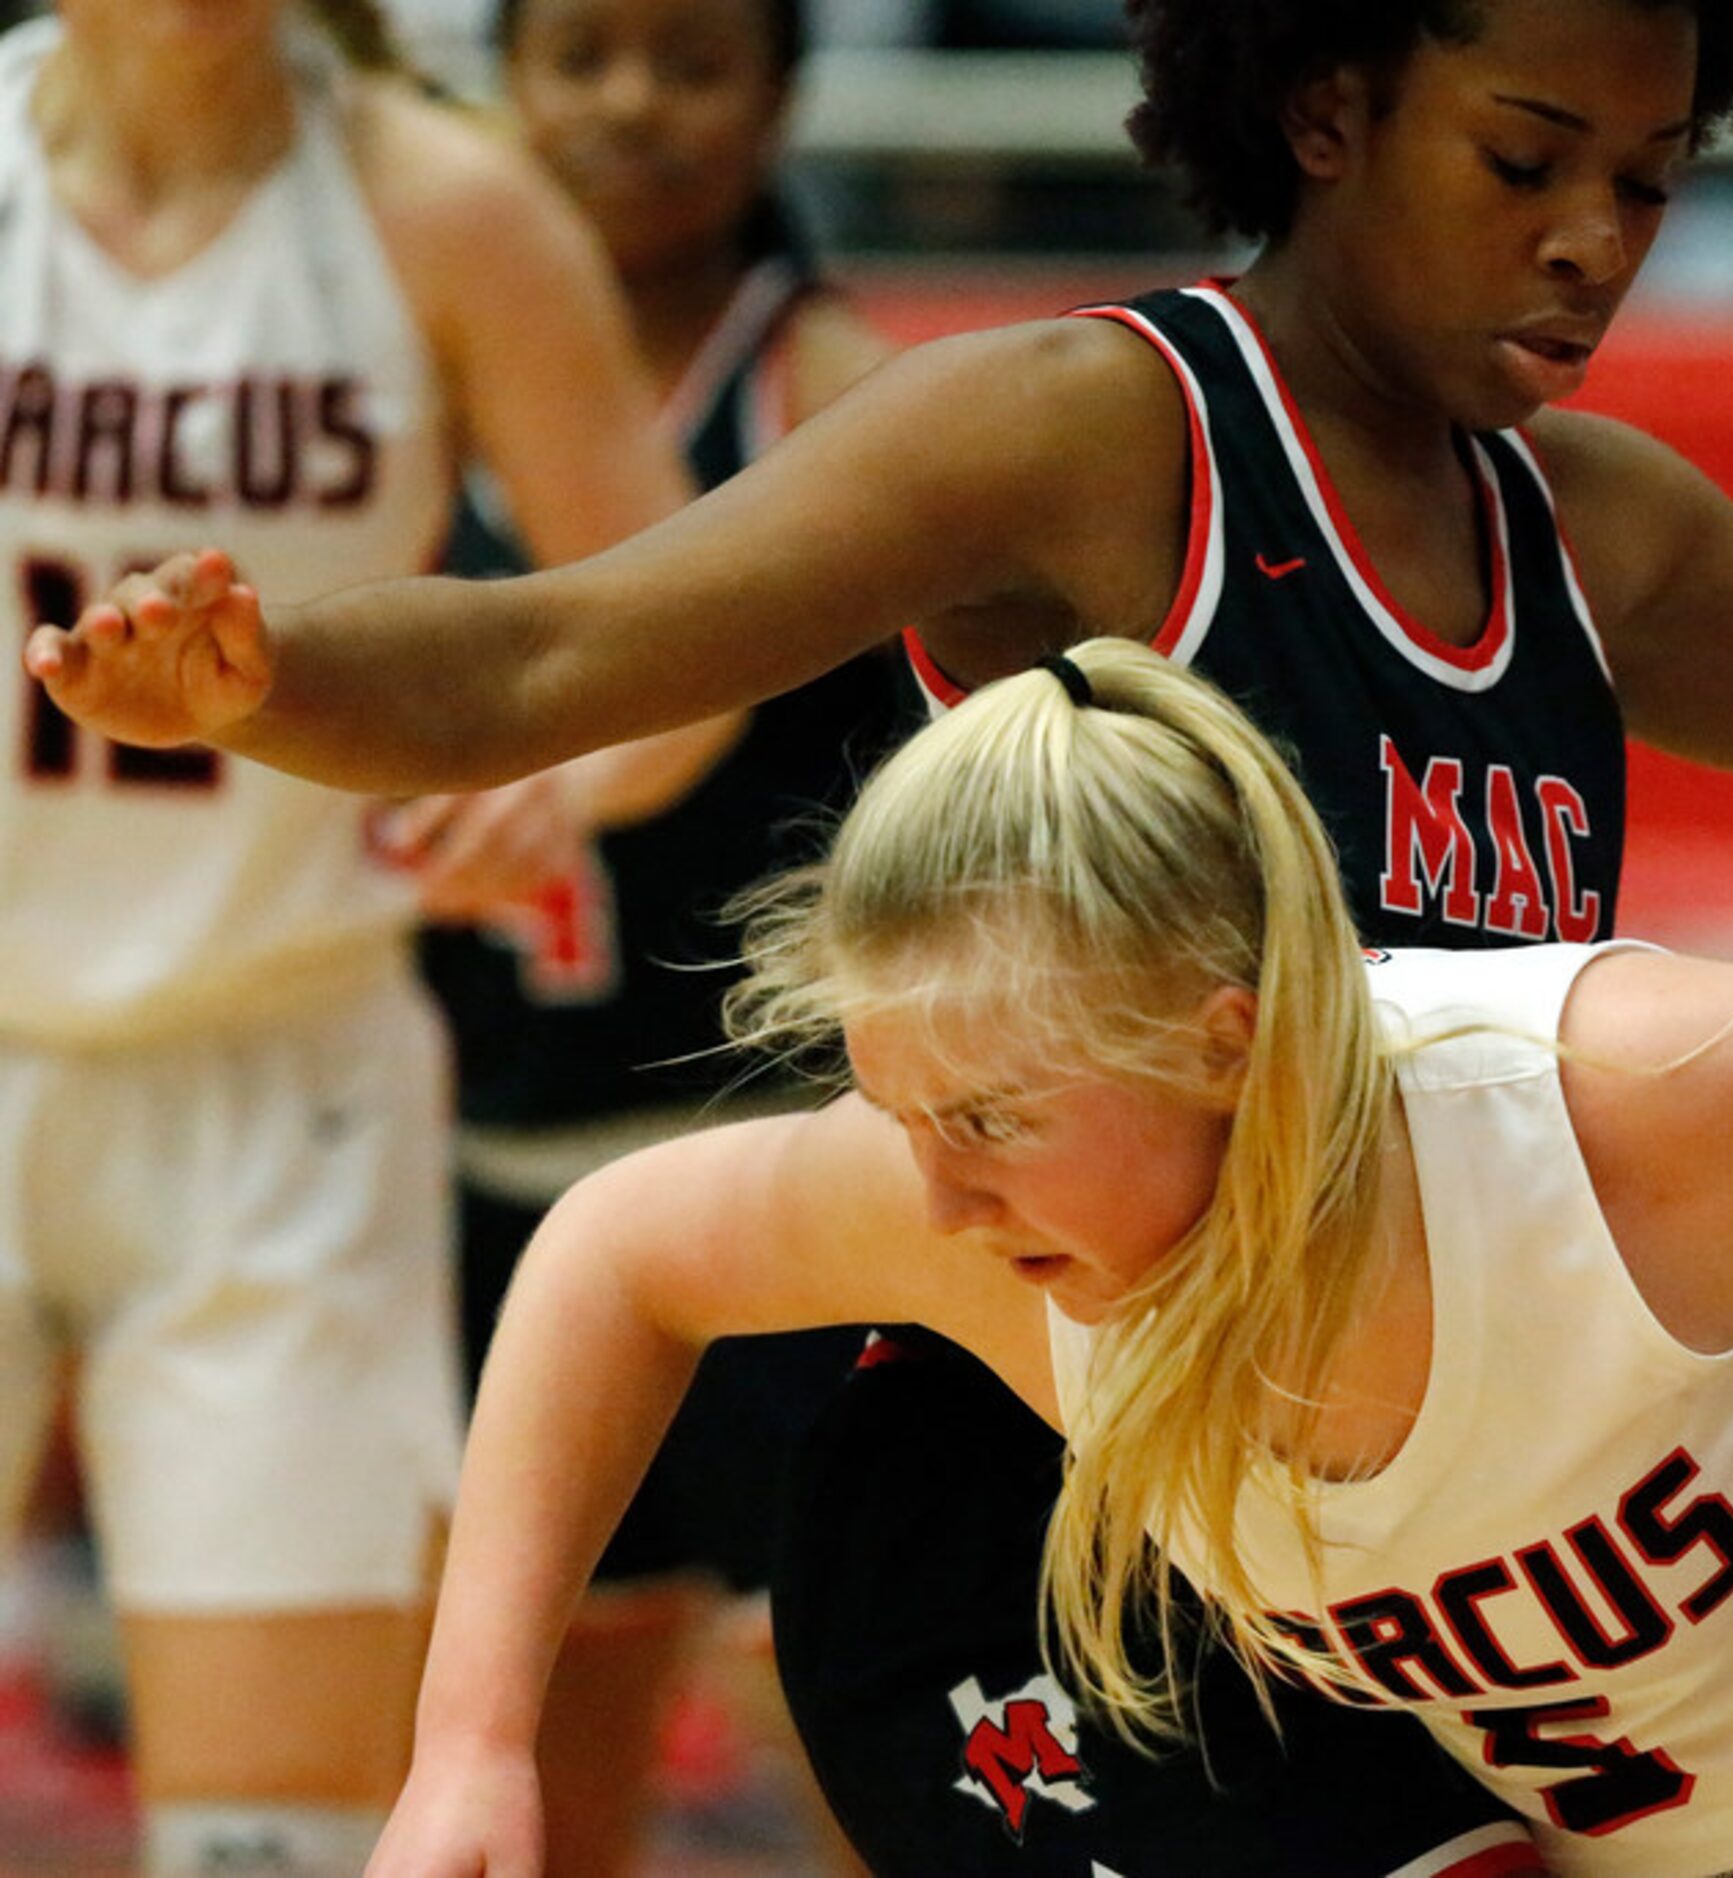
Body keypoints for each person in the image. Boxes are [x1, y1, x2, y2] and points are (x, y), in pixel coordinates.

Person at [21, 0, 1733, 1860]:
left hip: (1475, 1479)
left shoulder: (1583, 535)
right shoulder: (1091, 433)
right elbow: (549, 649)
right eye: (1530, 162)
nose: (1597, 237)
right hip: (1075, 1489)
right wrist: (259, 678)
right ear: (1329, 101)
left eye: (1648, 178)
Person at [366, 641, 1733, 1876]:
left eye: (991, 1123)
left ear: (1225, 1037)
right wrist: (469, 1745)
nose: (927, 1201)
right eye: (901, 1113)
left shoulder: (1641, 1100)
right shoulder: (976, 1221)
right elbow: (611, 1252)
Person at [0, 2, 693, 1870]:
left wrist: (567, 779)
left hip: (282, 1079)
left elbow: (664, 658)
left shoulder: (447, 207)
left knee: (274, 1841)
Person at [405, 0, 915, 1870]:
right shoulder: (412, 368)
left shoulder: (830, 383)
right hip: (482, 1172)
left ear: (779, 96)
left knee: (885, 1750)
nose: (633, 103)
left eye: (691, 63)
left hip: (778, 1173)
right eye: (585, 55)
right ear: (502, 84)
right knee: (529, 1779)